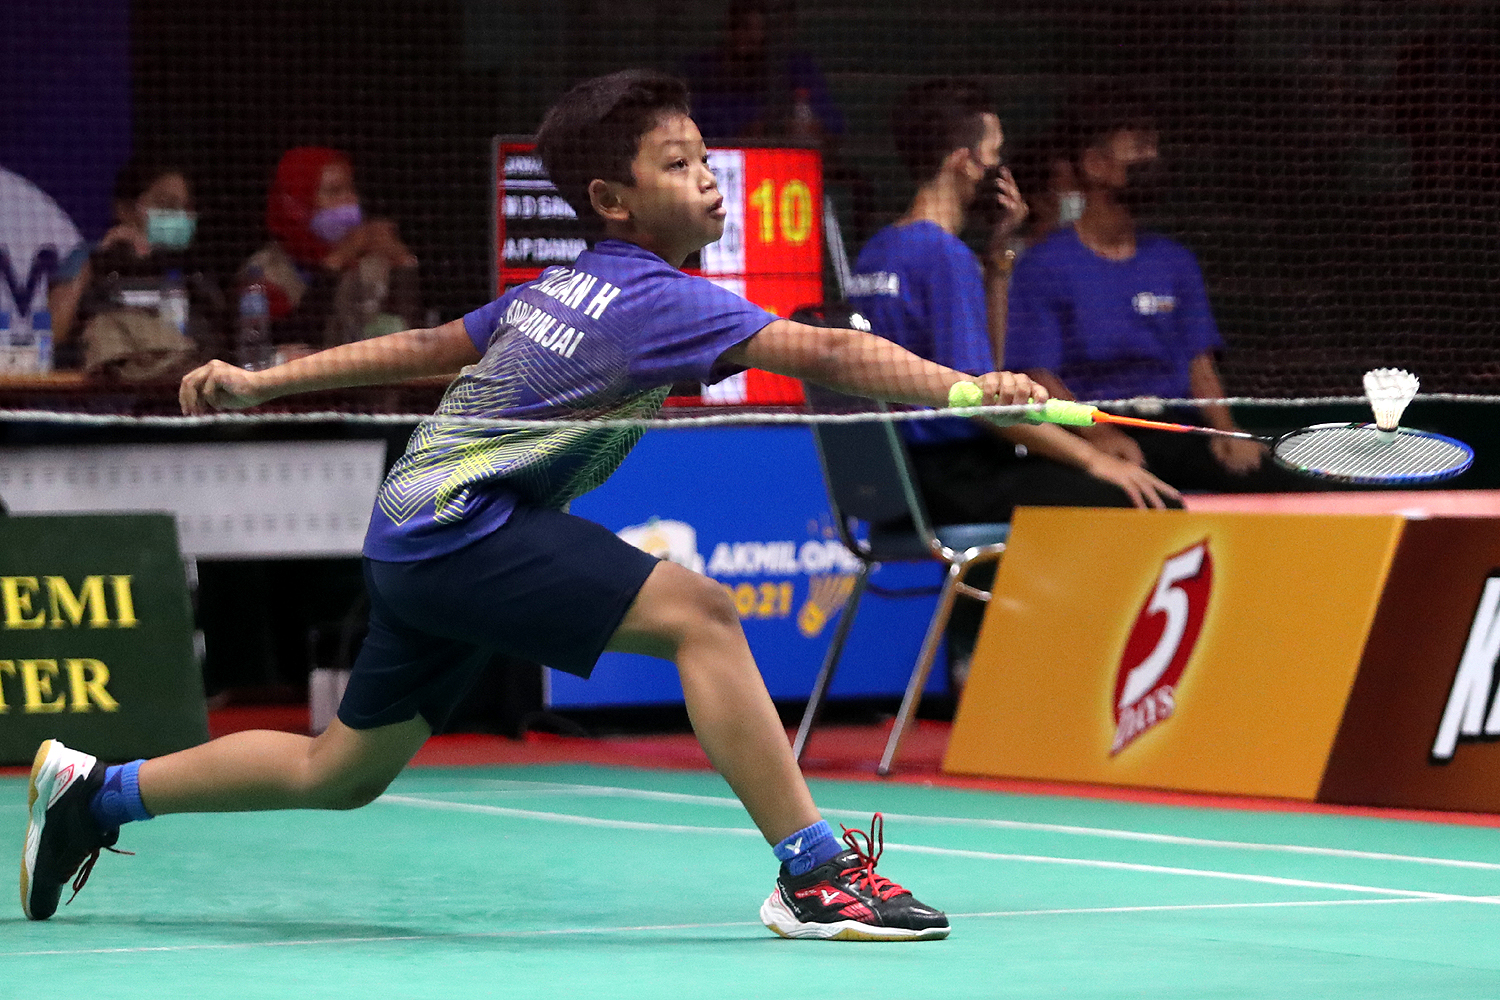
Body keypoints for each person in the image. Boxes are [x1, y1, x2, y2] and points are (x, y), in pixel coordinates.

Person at [21, 70, 1049, 942]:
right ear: (613, 199)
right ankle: (813, 872)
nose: (707, 176)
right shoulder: (661, 296)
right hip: (462, 526)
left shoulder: (559, 285)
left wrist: (262, 382)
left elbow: (425, 348)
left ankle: (96, 792)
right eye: (678, 162)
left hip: (414, 529)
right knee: (701, 615)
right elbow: (823, 348)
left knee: (339, 771)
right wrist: (967, 388)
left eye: (705, 158)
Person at [847, 80, 1179, 689]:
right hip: (957, 477)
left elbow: (988, 375)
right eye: (993, 151)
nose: (1001, 167)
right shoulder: (942, 256)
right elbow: (988, 408)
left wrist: (998, 262)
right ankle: (1075, 683)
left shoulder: (877, 253)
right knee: (1139, 499)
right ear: (963, 162)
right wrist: (1094, 459)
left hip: (900, 487)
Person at [1005, 95, 1282, 491]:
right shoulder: (1044, 265)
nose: (1152, 158)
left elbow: (1198, 362)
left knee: (1275, 479)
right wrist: (1098, 435)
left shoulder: (1175, 261)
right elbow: (1038, 373)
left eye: (1154, 147)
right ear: (1095, 164)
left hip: (1176, 427)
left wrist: (1225, 432)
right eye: (1138, 147)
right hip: (1098, 429)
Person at [47, 159, 227, 369]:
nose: (180, 216)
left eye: (186, 207)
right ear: (125, 210)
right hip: (107, 382)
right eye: (167, 205)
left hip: (179, 378)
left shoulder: (195, 269)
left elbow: (219, 335)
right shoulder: (90, 258)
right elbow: (52, 333)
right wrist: (95, 262)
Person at [240, 147, 420, 356]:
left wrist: (404, 263)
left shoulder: (371, 261)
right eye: (334, 192)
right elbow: (285, 342)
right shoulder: (262, 272)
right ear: (296, 205)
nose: (351, 201)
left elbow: (410, 334)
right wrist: (333, 265)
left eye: (351, 189)